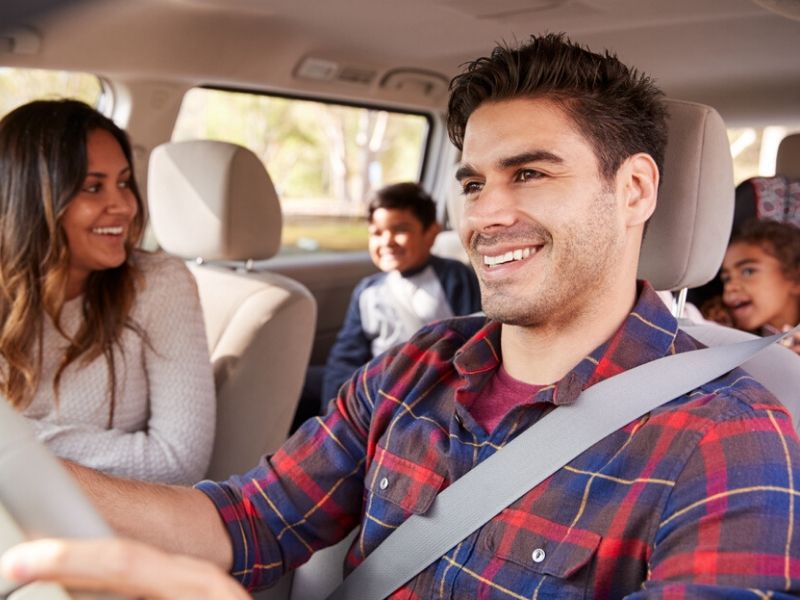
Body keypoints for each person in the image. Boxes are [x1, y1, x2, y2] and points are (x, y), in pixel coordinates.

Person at [3, 34, 800, 598]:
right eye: (477, 181)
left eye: (530, 173)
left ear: (633, 192)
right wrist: (22, 472)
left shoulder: (728, 437)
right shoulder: (416, 368)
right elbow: (249, 520)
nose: (487, 215)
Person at [0, 99, 215, 484]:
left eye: (123, 182)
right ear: (31, 201)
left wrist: (16, 440)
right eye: (93, 187)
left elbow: (178, 461)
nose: (125, 205)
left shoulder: (158, 284)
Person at [321, 181, 481, 404]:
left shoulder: (453, 277)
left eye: (400, 230)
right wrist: (336, 404)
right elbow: (345, 356)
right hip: (376, 387)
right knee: (296, 379)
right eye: (376, 233)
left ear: (431, 233)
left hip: (430, 386)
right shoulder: (367, 290)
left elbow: (473, 342)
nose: (387, 241)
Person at [704, 219, 800, 353]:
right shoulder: (724, 339)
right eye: (726, 279)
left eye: (748, 271)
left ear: (796, 279)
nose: (730, 287)